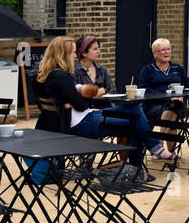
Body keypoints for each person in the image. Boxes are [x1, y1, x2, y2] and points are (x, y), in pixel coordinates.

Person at [37, 35, 154, 179]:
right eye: (73, 52)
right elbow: (81, 105)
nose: (75, 56)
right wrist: (86, 95)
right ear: (63, 55)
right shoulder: (63, 76)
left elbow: (52, 104)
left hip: (76, 120)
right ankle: (147, 156)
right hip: (81, 123)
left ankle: (141, 164)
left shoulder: (42, 77)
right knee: (134, 117)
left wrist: (74, 99)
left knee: (133, 112)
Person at [75, 35, 174, 160]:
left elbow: (112, 92)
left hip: (105, 111)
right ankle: (149, 154)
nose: (99, 51)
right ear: (84, 52)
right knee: (135, 122)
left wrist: (95, 93)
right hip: (88, 114)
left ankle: (135, 168)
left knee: (134, 113)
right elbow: (78, 96)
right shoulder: (74, 71)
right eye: (95, 49)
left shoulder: (102, 70)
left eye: (99, 48)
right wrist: (101, 91)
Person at [136, 38, 189, 129]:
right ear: (155, 53)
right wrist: (165, 97)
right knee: (172, 110)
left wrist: (181, 96)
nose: (167, 52)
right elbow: (143, 88)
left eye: (168, 49)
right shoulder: (148, 70)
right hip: (154, 105)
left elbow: (187, 87)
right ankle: (161, 138)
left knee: (174, 107)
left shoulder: (177, 68)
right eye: (163, 50)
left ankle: (160, 139)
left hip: (177, 103)